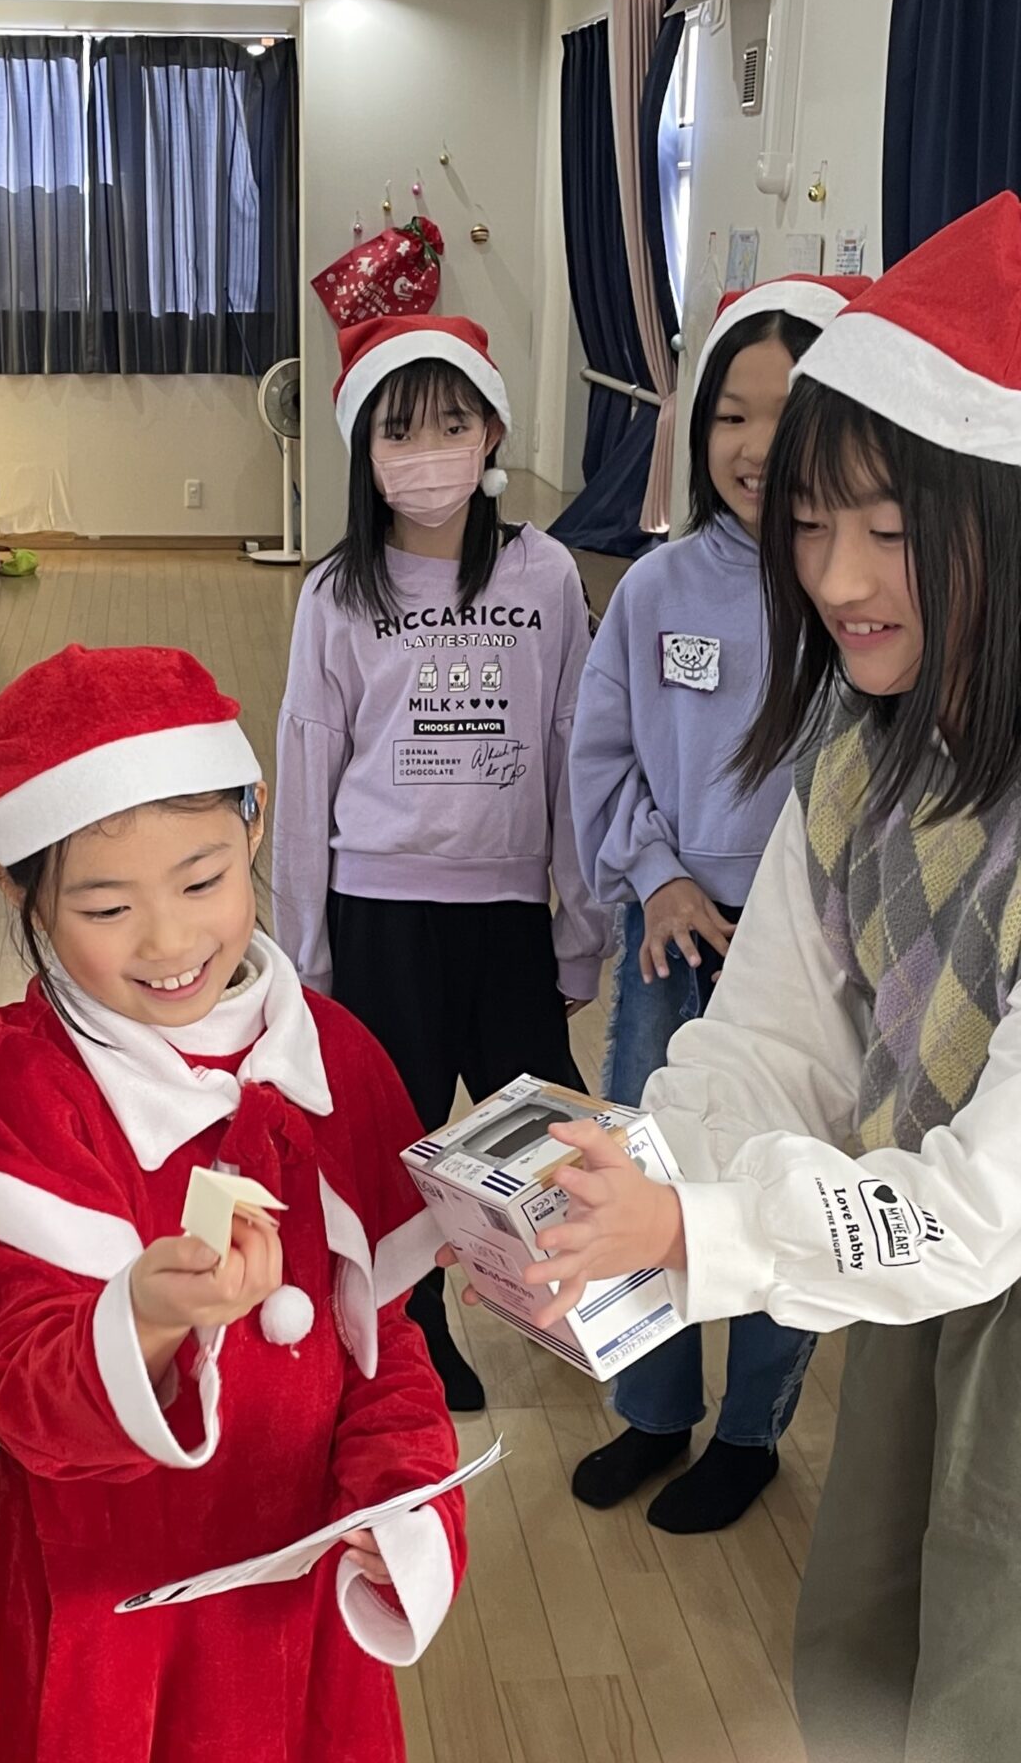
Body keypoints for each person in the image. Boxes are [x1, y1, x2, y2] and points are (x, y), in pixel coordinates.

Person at [494, 194, 1021, 1762]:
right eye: (811, 522)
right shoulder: (865, 741)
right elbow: (777, 1032)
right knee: (868, 1647)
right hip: (915, 1258)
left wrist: (696, 1232)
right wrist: (631, 1177)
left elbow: (986, 1206)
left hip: (967, 1240)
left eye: (891, 528)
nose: (839, 576)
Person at [0, 643, 465, 1763]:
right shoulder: (13, 1099)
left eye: (201, 882)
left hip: (301, 1617)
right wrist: (142, 1319)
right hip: (107, 1633)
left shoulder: (334, 1058)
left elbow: (387, 1351)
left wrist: (406, 1507)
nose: (171, 942)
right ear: (21, 891)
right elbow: (17, 1391)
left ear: (255, 823)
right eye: (106, 905)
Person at [566, 275, 869, 1533]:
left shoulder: (859, 591)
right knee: (642, 1166)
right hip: (672, 937)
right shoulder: (657, 589)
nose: (755, 446)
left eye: (786, 415)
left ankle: (749, 1434)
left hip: (812, 953)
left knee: (781, 1178)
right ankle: (652, 1412)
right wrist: (659, 877)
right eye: (730, 416)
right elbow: (602, 757)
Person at [272, 313, 608, 1411]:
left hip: (506, 912)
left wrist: (579, 929)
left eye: (452, 425)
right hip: (378, 913)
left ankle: (566, 1299)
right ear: (363, 450)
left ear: (492, 433)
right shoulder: (336, 593)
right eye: (400, 430)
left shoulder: (544, 575)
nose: (427, 453)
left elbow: (572, 755)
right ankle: (414, 1326)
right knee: (397, 1140)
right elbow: (306, 773)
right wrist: (306, 959)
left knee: (546, 1137)